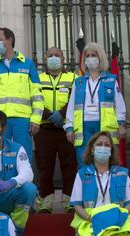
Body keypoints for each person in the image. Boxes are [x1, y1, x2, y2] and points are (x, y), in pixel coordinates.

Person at [0, 27, 43, 161]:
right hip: (0, 120)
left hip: (23, 120)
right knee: (0, 156)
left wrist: (36, 120)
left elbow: (37, 95)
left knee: (24, 156)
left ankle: (24, 182)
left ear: (9, 40)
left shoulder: (28, 64)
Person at [64, 42, 126, 168]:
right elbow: (71, 107)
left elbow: (119, 105)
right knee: (84, 162)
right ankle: (88, 187)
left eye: (93, 55)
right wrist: (69, 127)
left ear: (100, 57)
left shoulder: (111, 80)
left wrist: (121, 124)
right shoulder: (79, 82)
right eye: (87, 55)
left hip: (104, 127)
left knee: (106, 162)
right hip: (83, 128)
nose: (90, 58)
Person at [34, 47, 77, 213]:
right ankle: (46, 201)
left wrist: (61, 114)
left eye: (57, 55)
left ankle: (69, 200)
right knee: (44, 166)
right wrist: (48, 115)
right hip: (44, 129)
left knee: (69, 165)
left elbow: (76, 100)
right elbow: (34, 99)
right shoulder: (37, 78)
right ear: (45, 58)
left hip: (66, 129)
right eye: (50, 55)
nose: (53, 58)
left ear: (63, 58)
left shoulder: (73, 77)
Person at [70, 131, 130, 235]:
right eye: (99, 144)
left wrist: (117, 217)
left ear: (111, 150)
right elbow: (77, 205)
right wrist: (92, 219)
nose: (103, 147)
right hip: (90, 221)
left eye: (107, 145)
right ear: (92, 149)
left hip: (118, 221)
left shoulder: (122, 173)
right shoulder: (82, 174)